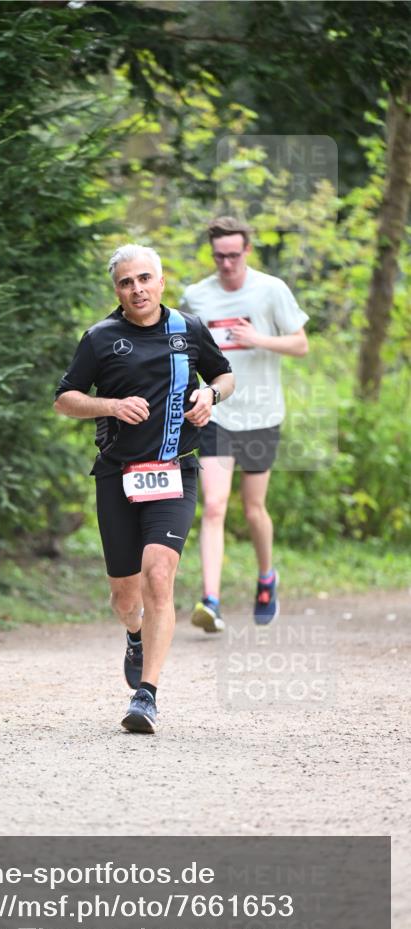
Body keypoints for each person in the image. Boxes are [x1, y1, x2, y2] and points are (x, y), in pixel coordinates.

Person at [54, 244, 234, 733]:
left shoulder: (188, 329)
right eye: (126, 282)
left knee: (160, 575)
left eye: (144, 279)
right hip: (118, 474)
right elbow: (65, 399)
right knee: (123, 596)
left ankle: (146, 695)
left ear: (160, 280)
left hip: (175, 470)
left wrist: (209, 395)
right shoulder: (99, 338)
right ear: (117, 290)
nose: (137, 289)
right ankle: (134, 633)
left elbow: (224, 374)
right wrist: (110, 406)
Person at [180, 217, 309, 633]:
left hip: (261, 415)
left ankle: (266, 577)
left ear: (247, 251)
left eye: (234, 255)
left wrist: (259, 340)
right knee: (214, 506)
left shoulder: (271, 290)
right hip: (217, 412)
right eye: (220, 256)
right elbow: (185, 352)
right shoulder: (197, 296)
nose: (227, 264)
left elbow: (301, 343)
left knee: (253, 509)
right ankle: (211, 600)